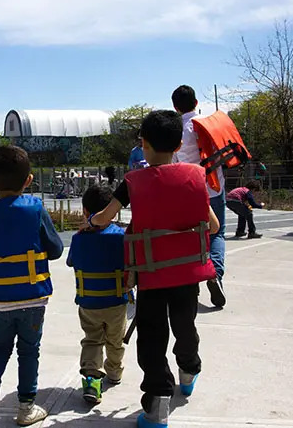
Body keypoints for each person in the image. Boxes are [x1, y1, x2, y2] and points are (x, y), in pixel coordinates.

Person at [84, 110, 219, 428]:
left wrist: (91, 222)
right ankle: (188, 371)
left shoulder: (132, 182)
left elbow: (104, 217)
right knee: (185, 325)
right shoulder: (195, 176)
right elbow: (211, 226)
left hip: (151, 276)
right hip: (187, 274)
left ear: (142, 143)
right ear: (177, 144)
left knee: (152, 338)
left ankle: (157, 404)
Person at [0, 145, 64, 428]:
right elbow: (56, 249)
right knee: (28, 351)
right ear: (29, 180)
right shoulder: (35, 208)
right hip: (32, 297)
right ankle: (25, 408)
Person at [67, 185, 128, 404]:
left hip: (88, 302)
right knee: (115, 339)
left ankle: (92, 379)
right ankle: (114, 372)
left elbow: (71, 262)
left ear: (84, 211)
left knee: (92, 339)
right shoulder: (121, 236)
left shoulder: (78, 239)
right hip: (116, 301)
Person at [172, 84, 227, 308]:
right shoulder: (209, 125)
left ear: (176, 107)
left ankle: (193, 278)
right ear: (196, 103)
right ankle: (215, 272)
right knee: (217, 233)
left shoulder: (178, 131)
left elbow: (174, 163)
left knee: (193, 236)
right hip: (214, 188)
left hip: (190, 191)